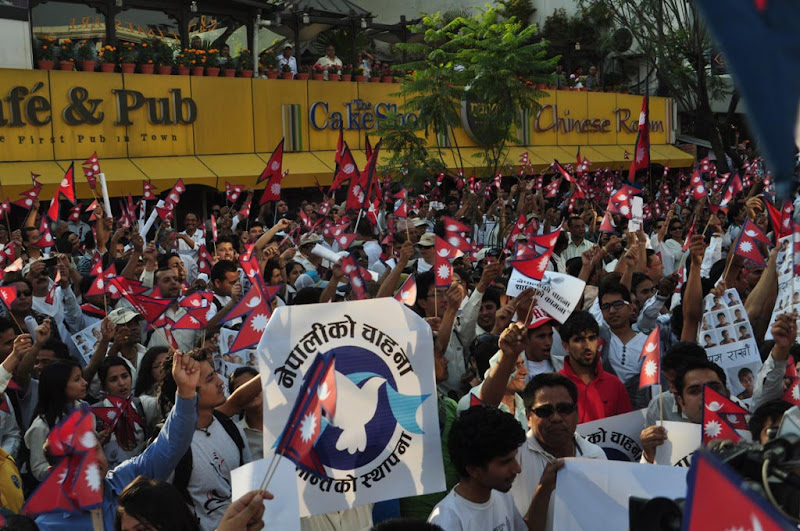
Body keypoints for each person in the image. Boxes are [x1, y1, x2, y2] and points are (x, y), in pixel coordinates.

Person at [33, 350, 201, 530]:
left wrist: (185, 392)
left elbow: (170, 446)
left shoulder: (128, 480)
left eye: (94, 450)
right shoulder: (47, 525)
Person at [159, 349, 252, 530]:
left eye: (215, 374)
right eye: (210, 379)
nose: (220, 382)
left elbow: (249, 483)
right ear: (189, 388)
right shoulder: (168, 444)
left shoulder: (231, 428)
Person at [509, 373, 606, 530]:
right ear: (528, 416)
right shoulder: (513, 458)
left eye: (564, 409)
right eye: (545, 411)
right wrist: (544, 489)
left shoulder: (595, 456)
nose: (555, 418)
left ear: (577, 413)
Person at [427, 406, 528, 530]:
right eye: (505, 462)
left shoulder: (502, 495)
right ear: (473, 470)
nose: (517, 469)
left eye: (514, 458)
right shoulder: (447, 521)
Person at [639, 359, 730, 463]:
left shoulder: (749, 432)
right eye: (694, 391)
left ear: (727, 394)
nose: (706, 395)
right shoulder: (662, 441)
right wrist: (649, 456)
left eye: (714, 388)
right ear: (681, 401)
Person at [557, 311, 632, 423]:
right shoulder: (555, 386)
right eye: (578, 340)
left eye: (592, 338)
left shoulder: (615, 385)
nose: (587, 346)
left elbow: (628, 428)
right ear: (565, 346)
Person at [24, 359, 88, 481]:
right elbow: (38, 468)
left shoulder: (84, 410)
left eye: (82, 378)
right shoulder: (41, 426)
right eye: (77, 379)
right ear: (59, 386)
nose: (84, 383)